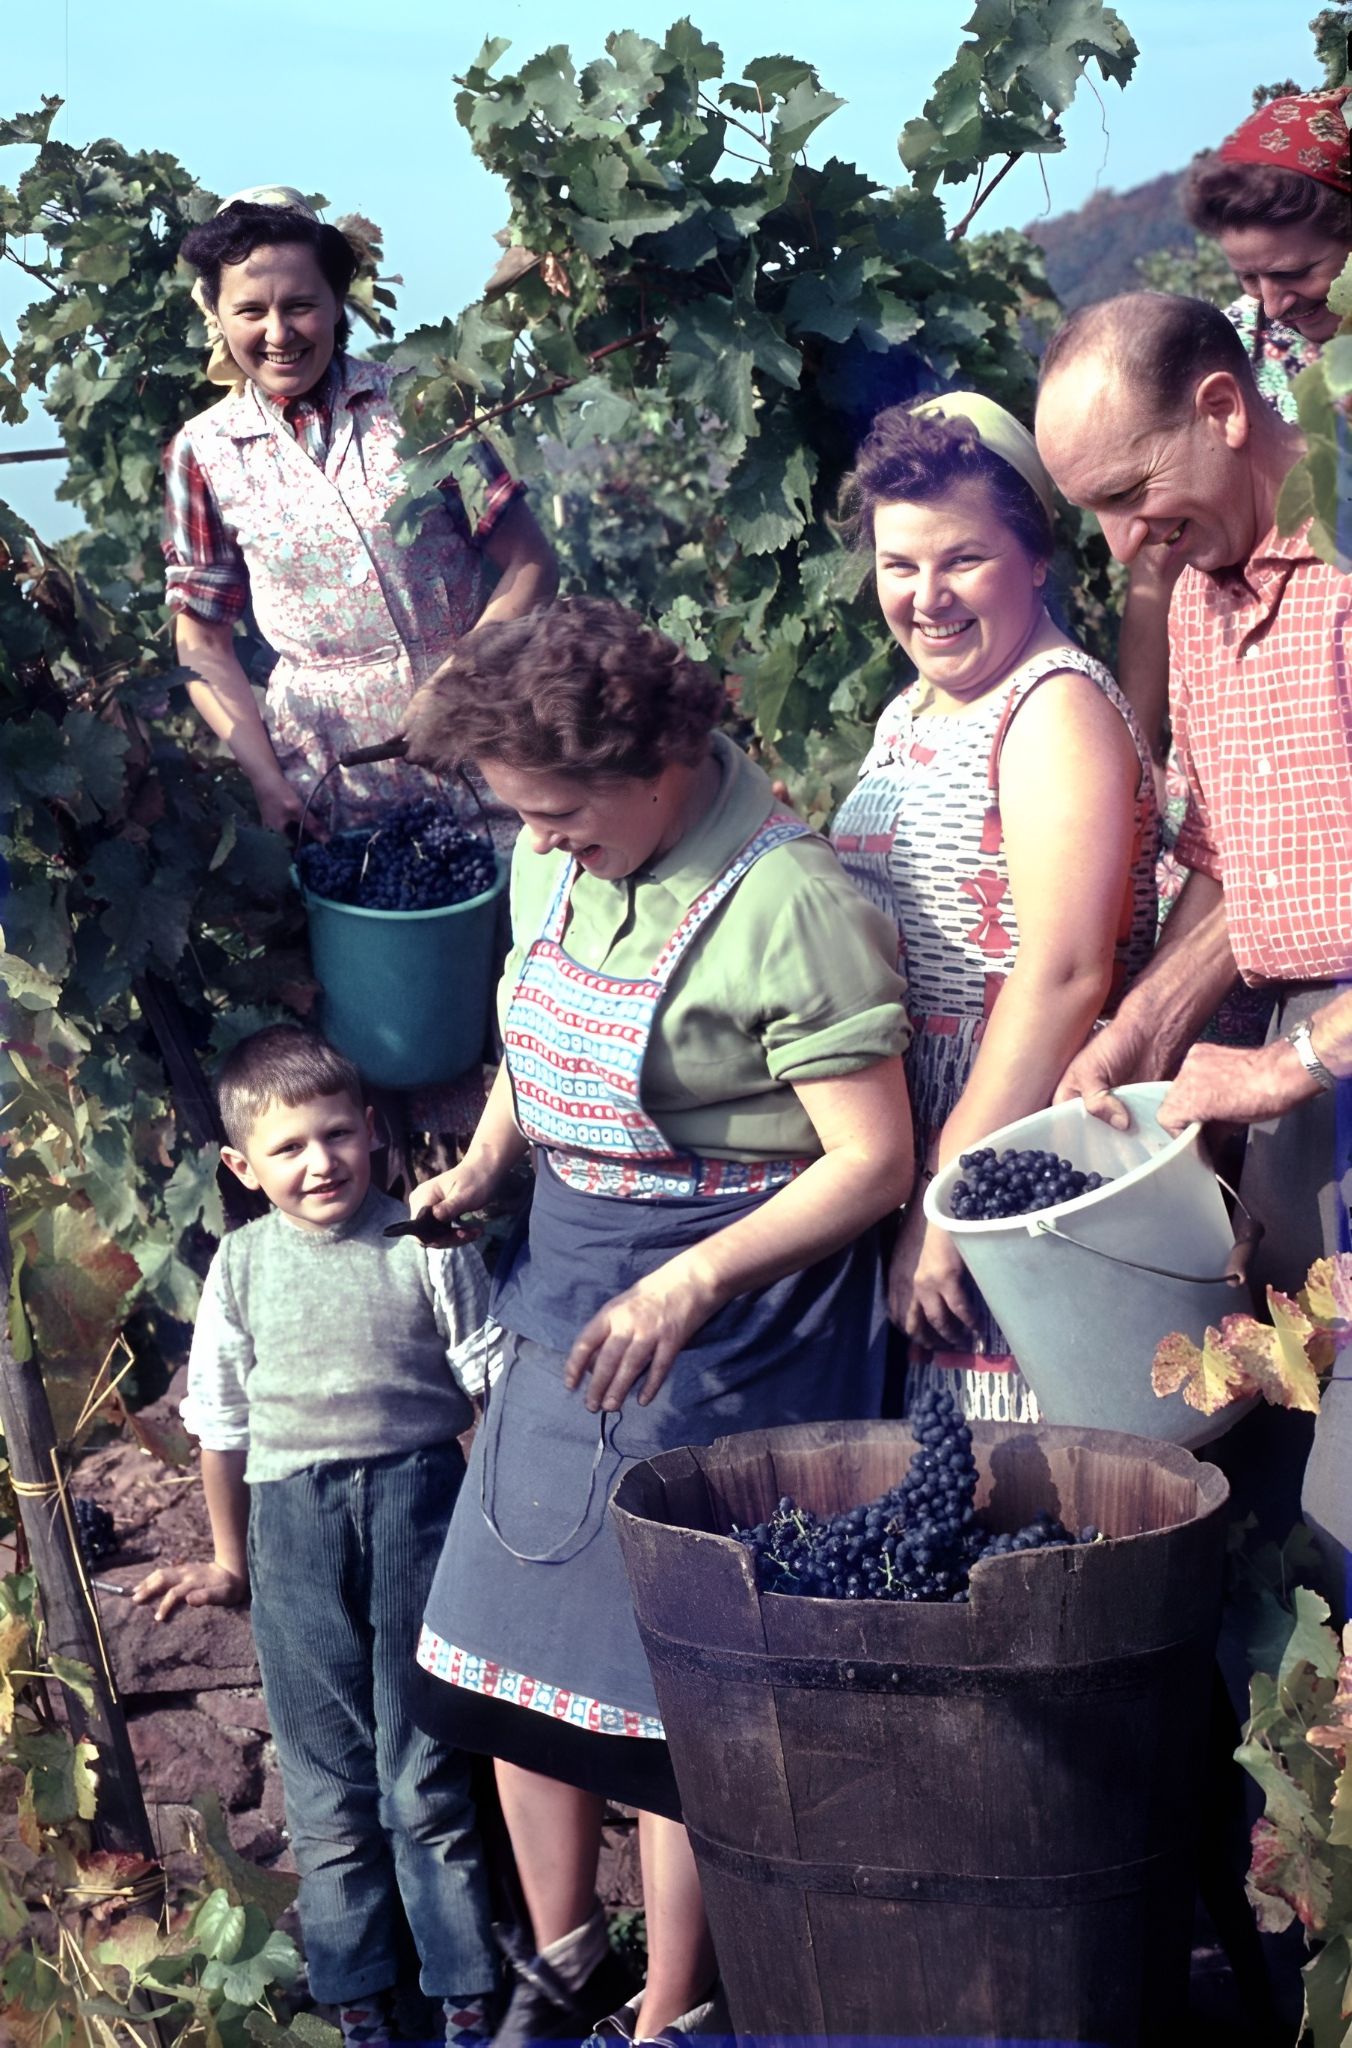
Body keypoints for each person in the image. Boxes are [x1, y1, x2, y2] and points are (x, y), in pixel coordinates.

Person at [397, 596, 914, 2046]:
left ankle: (673, 2012)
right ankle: (564, 1957)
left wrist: (690, 1284)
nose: (540, 841)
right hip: (571, 1280)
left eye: (560, 814)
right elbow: (534, 1029)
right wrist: (486, 1164)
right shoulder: (554, 856)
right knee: (500, 1644)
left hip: (734, 1314)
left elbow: (874, 1161)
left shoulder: (787, 902)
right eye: (526, 816)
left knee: (666, 1693)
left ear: (654, 760)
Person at [1035, 289, 1352, 1620]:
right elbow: (1236, 862)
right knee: (1279, 1500)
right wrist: (1144, 1027)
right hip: (1306, 1098)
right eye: (1094, 513)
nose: (1122, 543)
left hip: (1320, 1070)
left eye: (1130, 494)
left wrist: (1284, 1071)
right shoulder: (1201, 607)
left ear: (1222, 408)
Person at [132, 1026, 499, 2048]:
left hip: (422, 1512)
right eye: (288, 1147)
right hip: (293, 1530)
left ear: (371, 1130)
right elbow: (219, 1424)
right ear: (243, 1167)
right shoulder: (242, 1266)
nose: (320, 1161)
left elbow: (493, 1387)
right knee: (328, 1790)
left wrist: (499, 1534)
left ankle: (465, 1995)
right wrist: (228, 1558)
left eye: (336, 1134)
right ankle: (357, 2000)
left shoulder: (423, 1244)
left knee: (424, 1780)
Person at [828, 393, 1158, 1426]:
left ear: (1036, 556)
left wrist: (950, 1200)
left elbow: (1062, 973)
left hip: (1011, 1145)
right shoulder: (917, 703)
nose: (926, 597)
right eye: (899, 565)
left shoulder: (1052, 707)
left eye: (962, 559)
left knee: (1011, 1465)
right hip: (923, 1132)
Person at [165, 190, 557, 832]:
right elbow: (202, 640)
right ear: (217, 313)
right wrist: (266, 779)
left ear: (337, 301)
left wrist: (458, 682)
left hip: (483, 743)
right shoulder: (204, 451)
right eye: (251, 311)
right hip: (328, 779)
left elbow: (531, 565)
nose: (278, 334)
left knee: (511, 885)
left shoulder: (417, 402)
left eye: (300, 306)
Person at [1115, 88, 1349, 761]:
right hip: (1250, 708)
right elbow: (1157, 566)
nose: (1273, 304)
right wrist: (1136, 764)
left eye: (1294, 272)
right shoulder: (1231, 352)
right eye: (1248, 278)